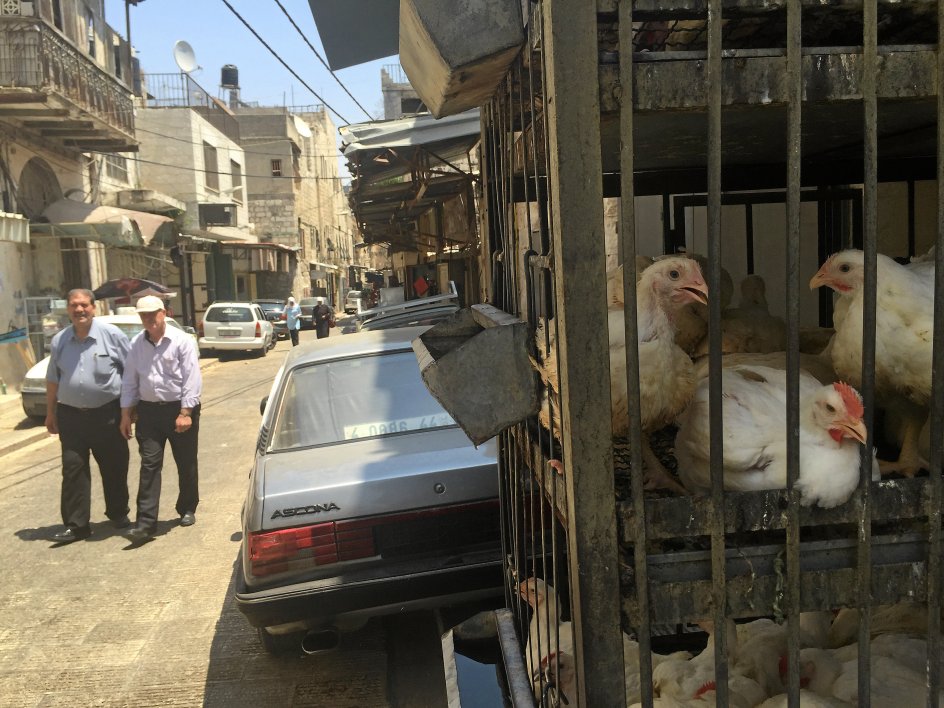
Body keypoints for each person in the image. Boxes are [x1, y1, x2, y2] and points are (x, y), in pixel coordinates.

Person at [45, 288, 131, 543]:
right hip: (71, 416)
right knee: (73, 470)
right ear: (68, 309)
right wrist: (51, 414)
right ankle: (76, 525)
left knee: (114, 466)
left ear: (94, 307)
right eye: (74, 305)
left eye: (84, 305)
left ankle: (118, 514)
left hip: (108, 414)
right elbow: (52, 380)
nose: (79, 310)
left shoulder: (113, 336)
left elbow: (130, 377)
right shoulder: (59, 340)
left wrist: (128, 412)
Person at [119, 296, 202, 542]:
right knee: (149, 465)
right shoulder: (136, 344)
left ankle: (187, 507)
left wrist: (186, 412)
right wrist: (126, 413)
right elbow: (129, 380)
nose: (148, 319)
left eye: (152, 314)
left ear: (164, 313)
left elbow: (192, 378)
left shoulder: (182, 341)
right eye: (143, 315)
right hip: (149, 412)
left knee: (185, 461)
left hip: (179, 409)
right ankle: (145, 523)